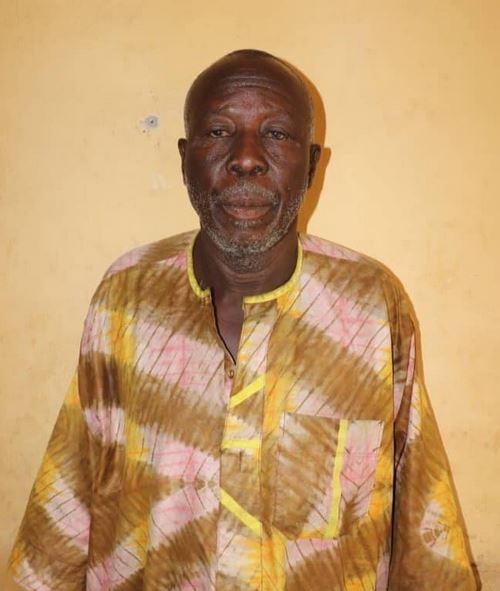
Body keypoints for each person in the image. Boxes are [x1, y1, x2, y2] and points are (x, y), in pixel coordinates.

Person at [9, 49, 479, 590]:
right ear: (184, 158)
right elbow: (67, 499)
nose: (247, 158)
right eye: (218, 132)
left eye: (276, 134)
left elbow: (421, 514)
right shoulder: (127, 297)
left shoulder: (370, 304)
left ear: (312, 163)